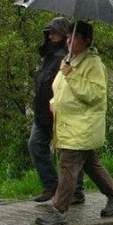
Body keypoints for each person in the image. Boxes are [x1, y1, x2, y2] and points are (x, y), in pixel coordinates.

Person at [35, 22, 113, 225]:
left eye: (73, 37)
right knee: (90, 164)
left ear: (86, 40)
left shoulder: (93, 64)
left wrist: (71, 74)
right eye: (67, 37)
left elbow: (94, 94)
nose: (68, 41)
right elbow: (60, 88)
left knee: (68, 166)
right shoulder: (71, 60)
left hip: (82, 125)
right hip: (69, 124)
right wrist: (53, 102)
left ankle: (58, 210)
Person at [28, 17, 85, 204]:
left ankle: (76, 191)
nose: (51, 36)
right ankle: (52, 184)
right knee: (36, 145)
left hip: (59, 111)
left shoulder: (64, 57)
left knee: (69, 152)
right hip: (42, 112)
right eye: (49, 33)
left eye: (55, 32)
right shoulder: (47, 55)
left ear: (64, 34)